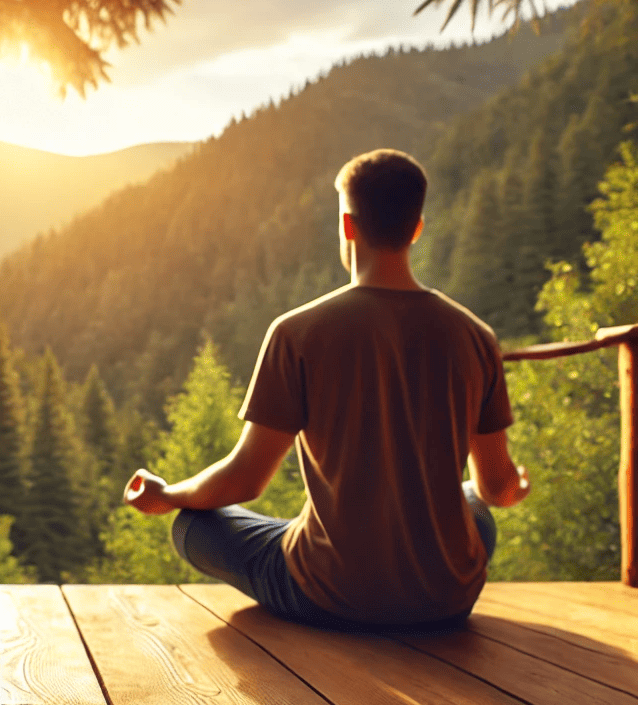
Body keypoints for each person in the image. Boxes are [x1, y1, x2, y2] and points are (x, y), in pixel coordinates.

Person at [123, 148, 530, 631]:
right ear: (416, 228)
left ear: (348, 226)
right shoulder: (475, 336)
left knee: (193, 524)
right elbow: (496, 489)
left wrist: (171, 493)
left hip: (330, 594)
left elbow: (245, 478)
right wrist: (516, 483)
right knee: (472, 503)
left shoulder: (297, 332)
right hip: (447, 598)